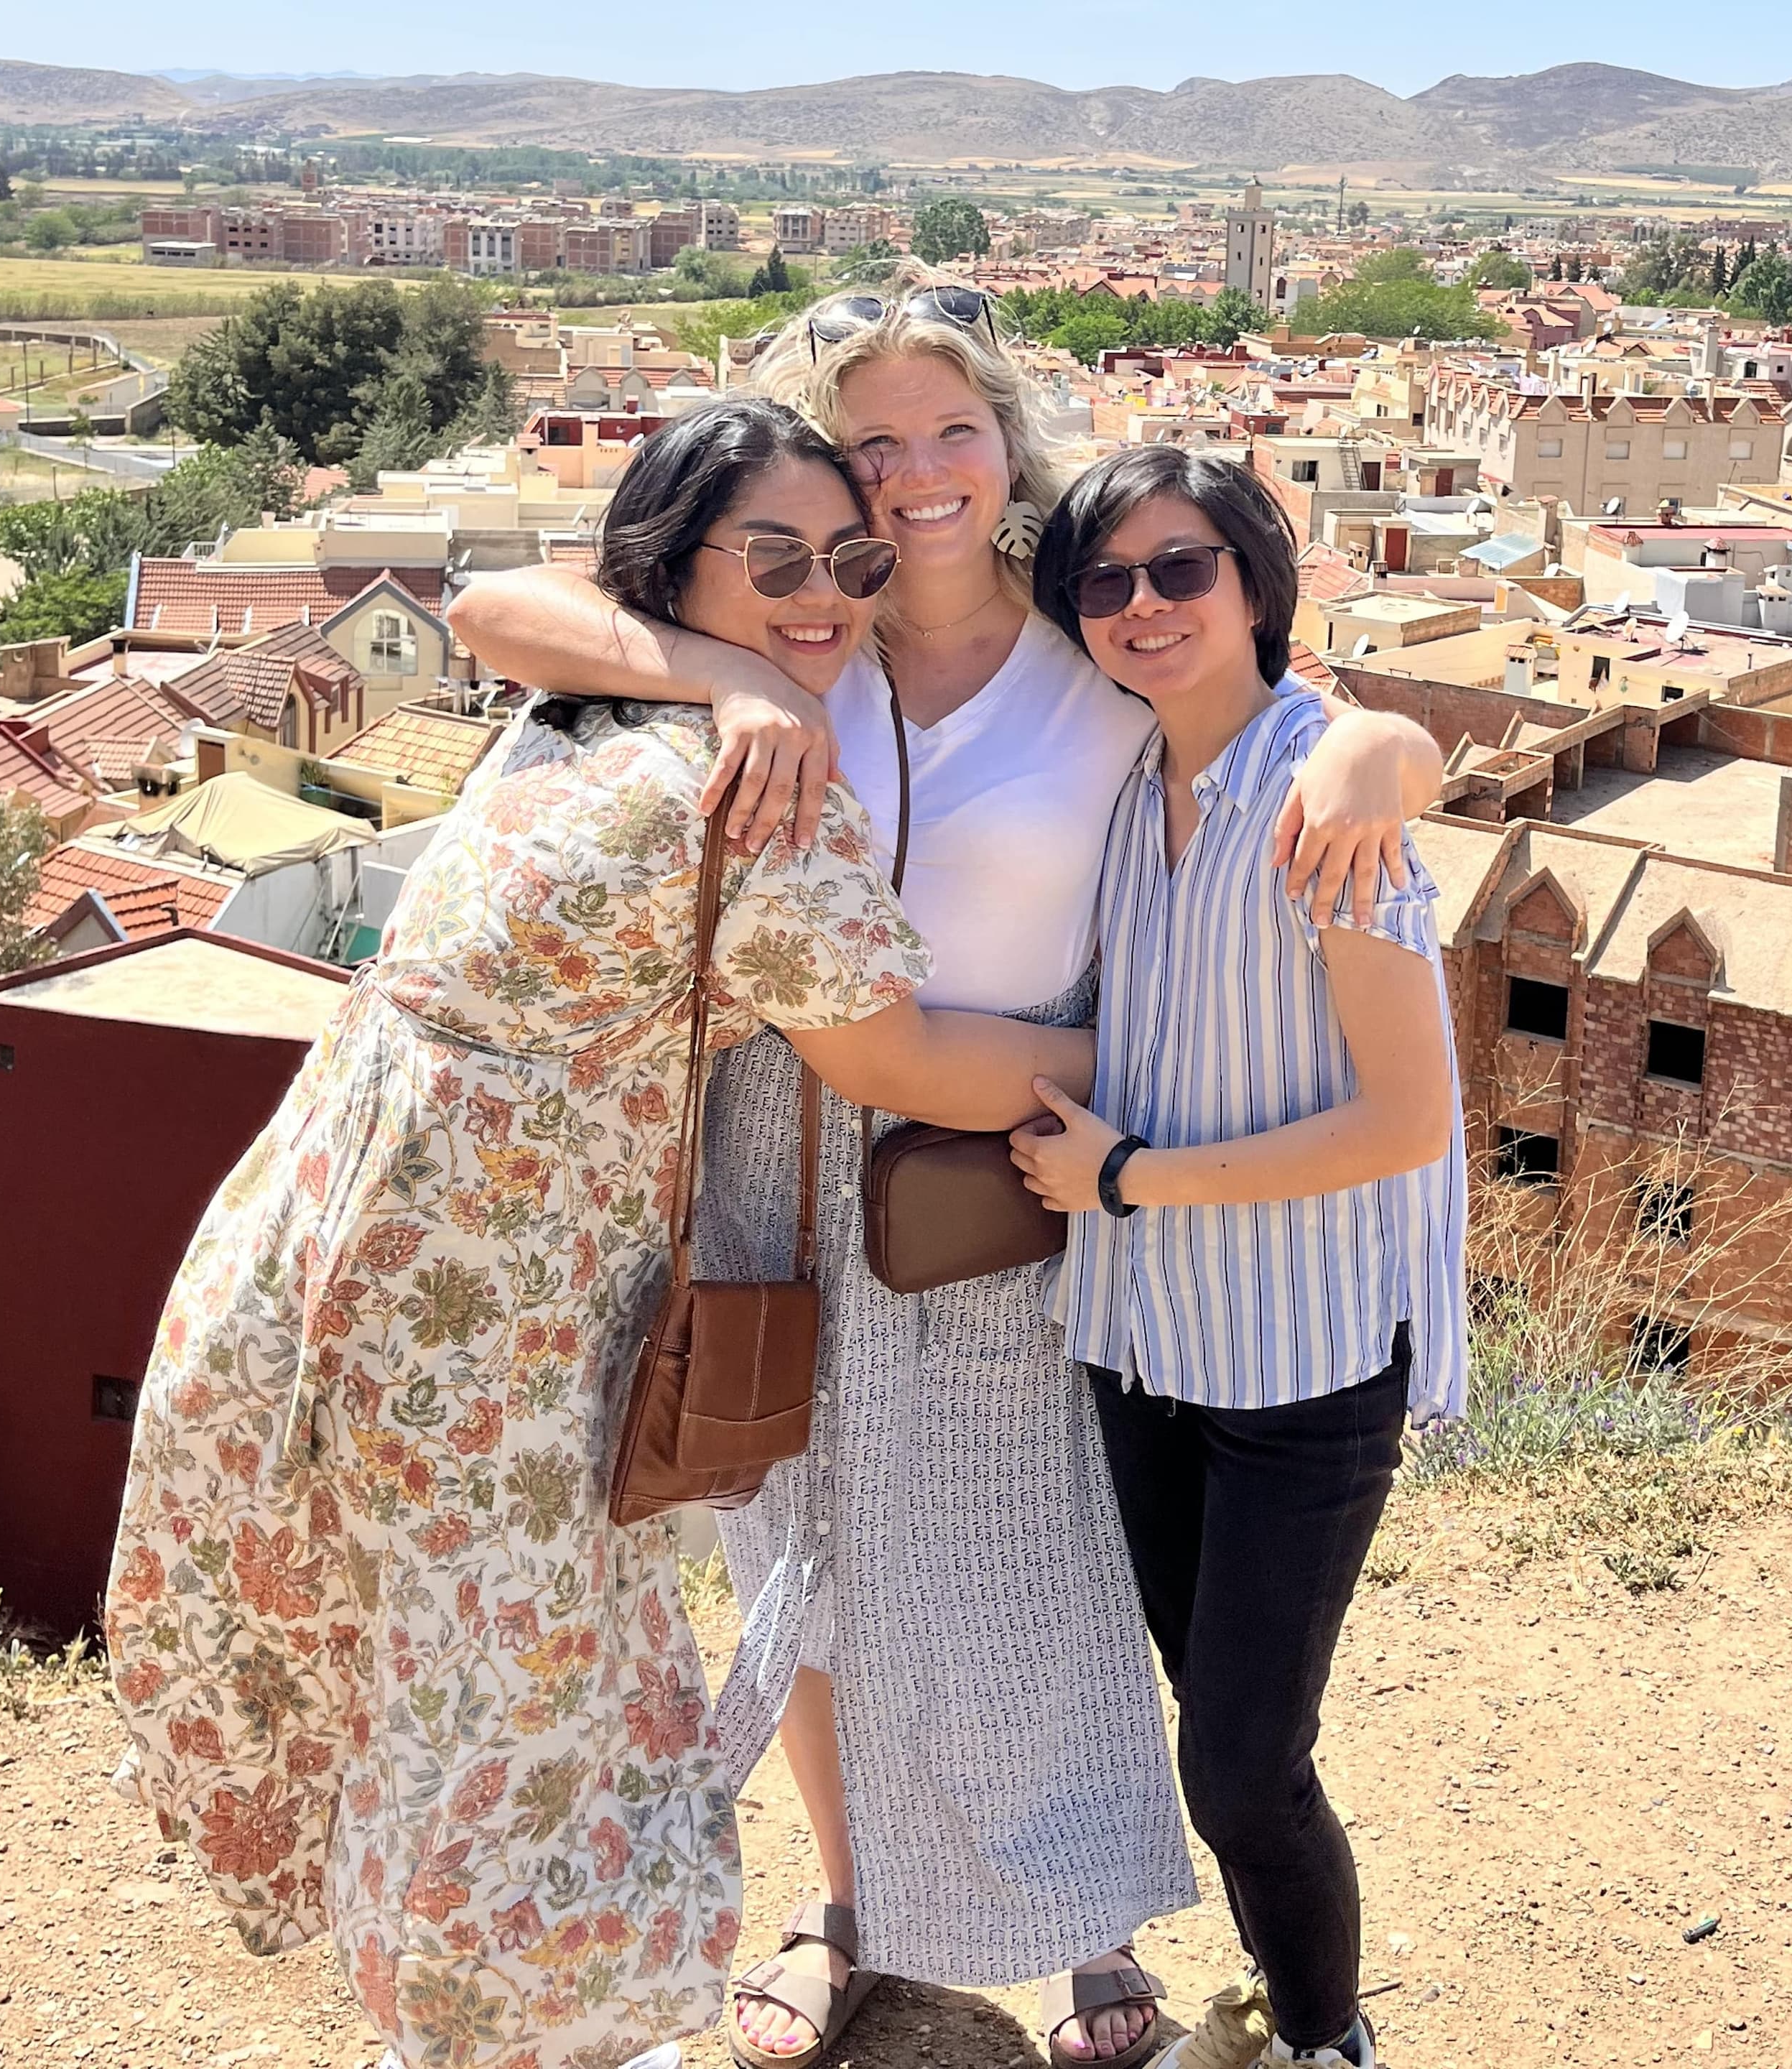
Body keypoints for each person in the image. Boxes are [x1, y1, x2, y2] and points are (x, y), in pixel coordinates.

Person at [447, 268, 1447, 2069]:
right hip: (780, 1132)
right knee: (800, 1535)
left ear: (1008, 445)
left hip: (1022, 1140)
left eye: (953, 431)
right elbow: (492, 607)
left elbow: (1306, 720)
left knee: (1028, 1544)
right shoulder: (789, 629)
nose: (915, 476)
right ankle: (851, 1904)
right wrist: (724, 682)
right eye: (873, 444)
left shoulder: (1093, 631)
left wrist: (1386, 746)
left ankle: (1074, 1927)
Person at [103, 398, 1102, 2069]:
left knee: (419, 1672)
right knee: (526, 1699)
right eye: (776, 559)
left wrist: (731, 665)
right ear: (673, 565)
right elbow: (904, 1061)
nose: (825, 597)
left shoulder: (578, 707)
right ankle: (534, 2034)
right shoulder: (755, 791)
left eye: (851, 563)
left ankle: (447, 2019)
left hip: (324, 1243)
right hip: (493, 1319)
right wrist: (1143, 1060)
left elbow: (502, 611)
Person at [1010, 446, 1469, 2069]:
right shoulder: (1127, 786)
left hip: (1301, 1359)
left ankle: (1326, 2041)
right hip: (1143, 1347)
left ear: (1256, 581)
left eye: (1181, 566)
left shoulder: (1322, 801)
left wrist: (1128, 1178)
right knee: (1222, 1723)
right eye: (1104, 581)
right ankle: (1292, 2010)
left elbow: (1405, 1119)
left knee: (1244, 1768)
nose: (1142, 604)